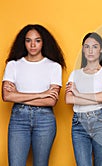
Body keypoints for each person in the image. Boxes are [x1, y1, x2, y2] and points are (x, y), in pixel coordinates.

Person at [2, 24, 66, 166]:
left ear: (43, 43)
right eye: (28, 40)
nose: (32, 45)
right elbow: (6, 96)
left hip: (45, 120)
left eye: (37, 40)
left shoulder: (54, 66)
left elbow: (51, 101)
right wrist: (41, 94)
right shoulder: (13, 65)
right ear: (23, 42)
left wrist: (18, 95)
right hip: (18, 119)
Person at [65, 32, 102, 166]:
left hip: (100, 122)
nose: (90, 50)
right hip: (78, 124)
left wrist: (79, 94)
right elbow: (69, 99)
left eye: (94, 46)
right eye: (87, 46)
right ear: (83, 49)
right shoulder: (75, 74)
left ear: (101, 49)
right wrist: (96, 97)